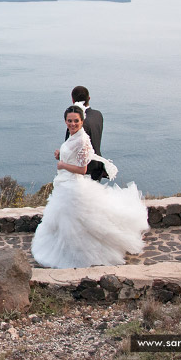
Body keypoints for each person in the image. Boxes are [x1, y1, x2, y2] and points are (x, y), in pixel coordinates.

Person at [33, 105, 149, 269]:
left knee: (73, 222)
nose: (72, 124)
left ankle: (76, 253)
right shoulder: (74, 136)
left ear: (82, 121)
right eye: (69, 121)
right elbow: (74, 156)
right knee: (65, 221)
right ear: (65, 121)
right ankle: (64, 248)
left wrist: (62, 165)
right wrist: (62, 154)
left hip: (73, 185)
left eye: (76, 121)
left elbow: (82, 170)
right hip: (65, 184)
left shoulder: (82, 140)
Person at [65, 86, 107, 181]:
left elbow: (72, 150)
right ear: (89, 98)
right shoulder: (98, 115)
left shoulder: (78, 124)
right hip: (97, 167)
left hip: (84, 171)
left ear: (72, 100)